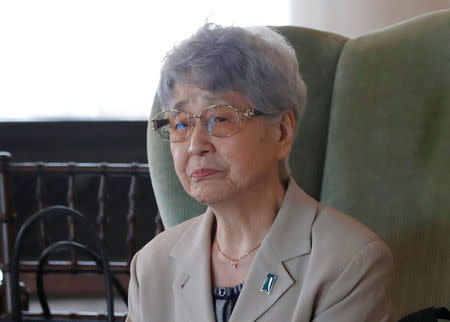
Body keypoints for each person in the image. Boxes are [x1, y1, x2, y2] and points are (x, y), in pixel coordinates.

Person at [126, 23, 394, 322]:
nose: (195, 145)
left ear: (281, 132)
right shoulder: (151, 267)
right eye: (181, 123)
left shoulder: (349, 261)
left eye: (220, 118)